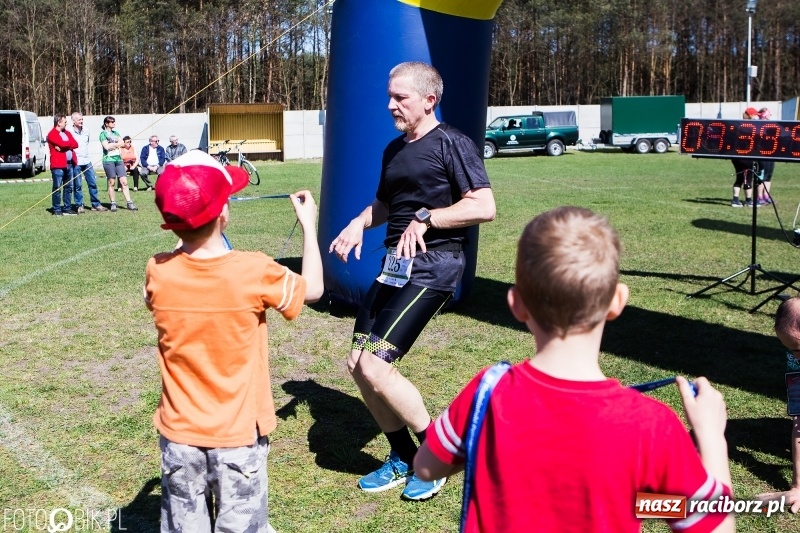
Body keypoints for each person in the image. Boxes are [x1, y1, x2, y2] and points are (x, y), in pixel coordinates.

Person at [414, 206, 735, 533]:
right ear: (618, 302)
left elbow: (426, 469)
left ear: (516, 303)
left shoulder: (487, 392)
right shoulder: (652, 426)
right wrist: (711, 437)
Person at [329, 61, 496, 501]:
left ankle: (437, 454)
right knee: (356, 364)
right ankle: (402, 456)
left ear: (429, 99)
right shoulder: (395, 149)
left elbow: (483, 205)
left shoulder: (453, 143)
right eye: (390, 96)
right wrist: (355, 224)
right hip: (394, 266)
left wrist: (429, 218)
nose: (390, 105)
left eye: (400, 97)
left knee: (375, 365)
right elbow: (384, 205)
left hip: (434, 265)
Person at [145, 150, 323, 532]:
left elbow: (168, 280)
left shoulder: (157, 271)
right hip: (238, 437)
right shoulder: (254, 269)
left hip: (179, 437)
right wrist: (309, 225)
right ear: (223, 215)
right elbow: (314, 289)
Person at [755, 297, 800, 513]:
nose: (794, 356)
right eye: (789, 348)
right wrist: (798, 487)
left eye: (798, 349)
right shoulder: (795, 358)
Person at [99, 116, 137, 212]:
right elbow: (106, 147)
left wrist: (114, 144)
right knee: (112, 182)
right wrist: (117, 144)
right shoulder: (103, 134)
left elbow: (123, 144)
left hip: (119, 160)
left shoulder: (116, 133)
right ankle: (113, 203)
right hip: (108, 160)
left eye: (114, 122)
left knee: (124, 182)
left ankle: (129, 203)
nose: (114, 123)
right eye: (111, 122)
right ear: (106, 124)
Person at [70, 112, 106, 212]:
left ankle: (96, 204)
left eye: (82, 119)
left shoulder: (86, 130)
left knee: (93, 183)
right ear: (73, 121)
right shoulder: (69, 132)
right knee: (77, 185)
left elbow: (87, 143)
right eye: (79, 120)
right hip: (76, 162)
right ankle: (79, 205)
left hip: (87, 161)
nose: (81, 121)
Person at [46, 114, 79, 216]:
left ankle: (67, 208)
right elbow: (63, 143)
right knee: (57, 187)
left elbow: (75, 144)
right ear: (59, 122)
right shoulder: (52, 134)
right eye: (65, 122)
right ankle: (56, 209)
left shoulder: (67, 133)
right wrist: (66, 145)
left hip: (69, 165)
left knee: (68, 187)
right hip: (58, 165)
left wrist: (64, 145)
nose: (66, 124)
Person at [730, 107, 759, 208]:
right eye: (755, 115)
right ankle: (748, 201)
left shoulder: (738, 126)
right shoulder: (751, 128)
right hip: (746, 157)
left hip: (736, 156)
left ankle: (735, 200)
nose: (757, 117)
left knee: (739, 178)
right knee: (747, 178)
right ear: (751, 116)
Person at [756, 107, 776, 206]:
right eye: (768, 114)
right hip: (762, 155)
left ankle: (766, 196)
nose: (769, 116)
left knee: (768, 176)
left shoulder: (771, 126)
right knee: (761, 177)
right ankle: (759, 196)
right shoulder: (758, 126)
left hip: (771, 155)